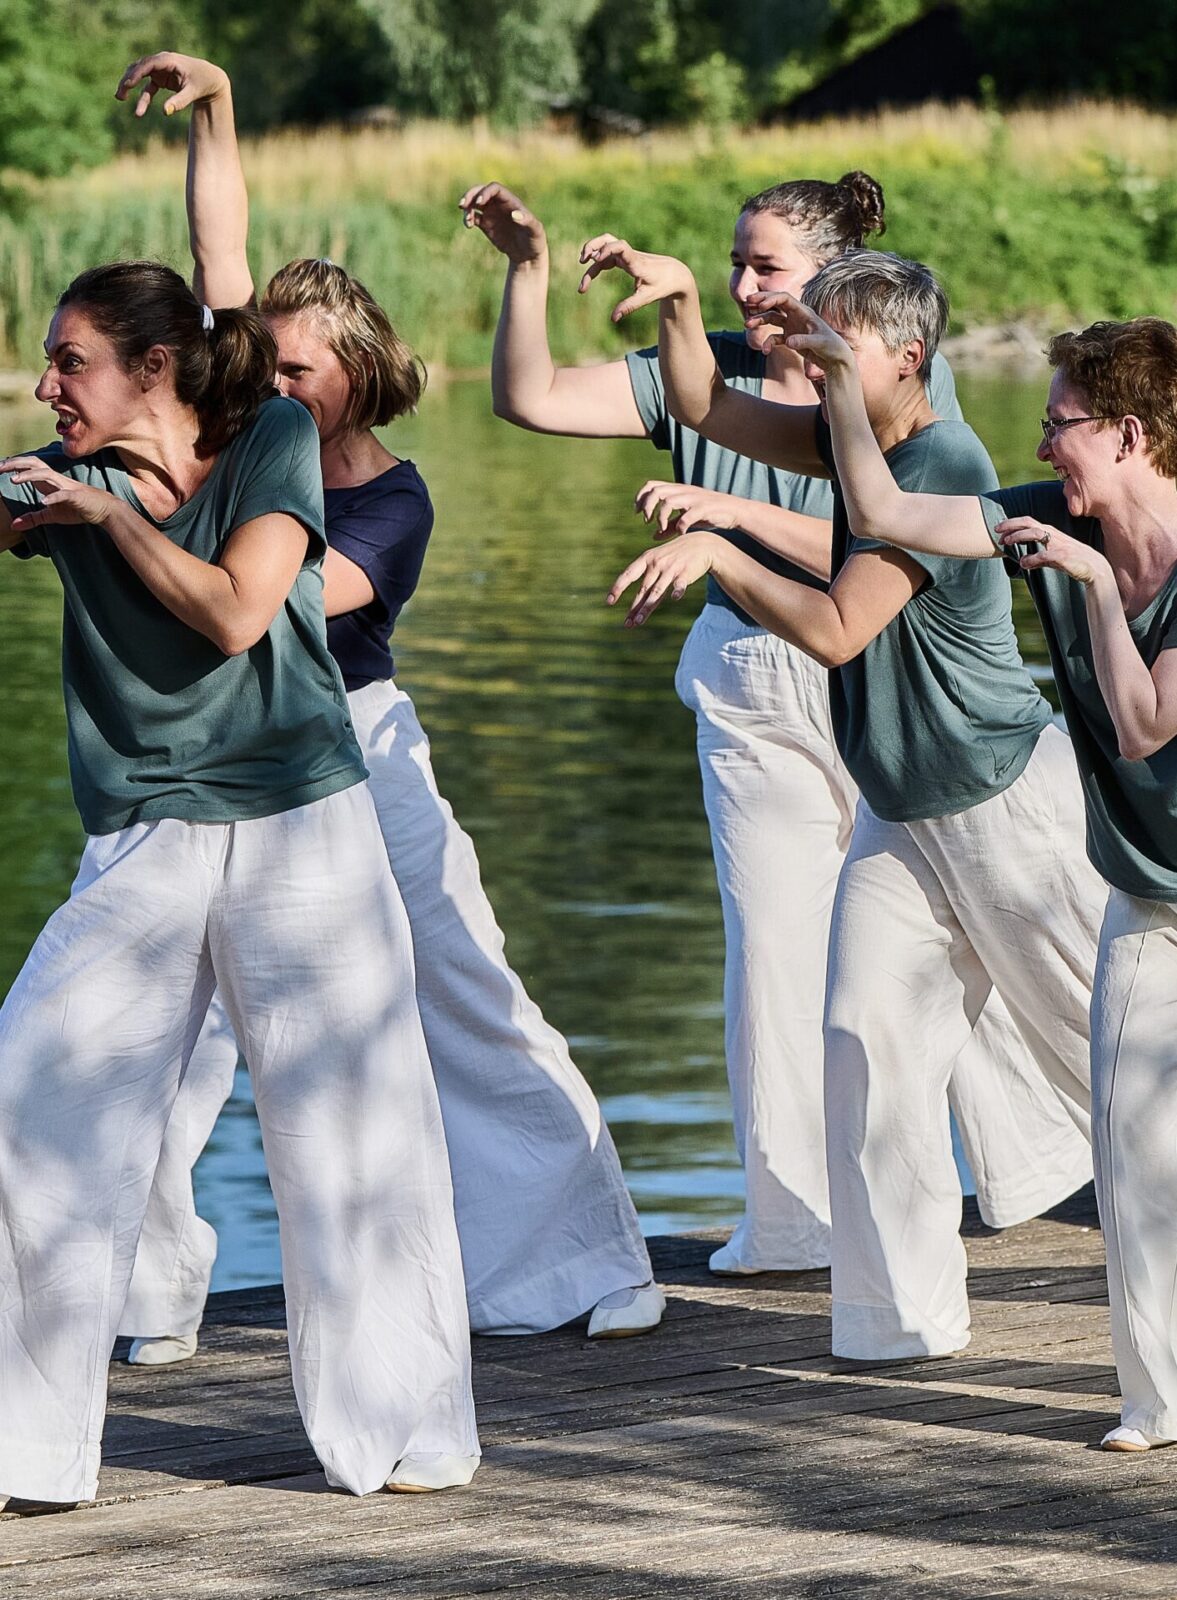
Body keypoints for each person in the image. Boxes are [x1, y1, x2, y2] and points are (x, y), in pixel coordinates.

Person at [111, 51, 661, 1361]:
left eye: (300, 370)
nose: (274, 385)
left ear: (358, 371)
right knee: (160, 1022)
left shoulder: (390, 499)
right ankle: (142, 1294)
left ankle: (585, 1258)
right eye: (266, 367)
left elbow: (283, 605)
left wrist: (141, 535)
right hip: (219, 752)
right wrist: (220, 107)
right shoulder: (246, 431)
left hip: (359, 749)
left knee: (464, 990)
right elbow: (219, 250)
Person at [460, 174, 1091, 1274]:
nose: (750, 289)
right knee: (815, 975)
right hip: (793, 689)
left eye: (770, 269)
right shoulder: (771, 387)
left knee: (1028, 977)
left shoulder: (902, 404)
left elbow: (868, 567)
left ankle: (1042, 1167)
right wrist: (607, 286)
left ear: (847, 298)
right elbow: (636, 405)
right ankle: (820, 1239)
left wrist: (728, 527)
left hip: (913, 699)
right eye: (736, 266)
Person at [0, 259, 479, 1506]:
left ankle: (405, 1427)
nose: (46, 386)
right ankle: (24, 1445)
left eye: (70, 362)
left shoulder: (270, 437)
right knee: (32, 1098)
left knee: (349, 1125)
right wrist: (47, 503)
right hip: (149, 834)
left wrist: (107, 520)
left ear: (153, 367)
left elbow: (237, 612)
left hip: (301, 822)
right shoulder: (57, 477)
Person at [597, 242, 1108, 1360]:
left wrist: (721, 550)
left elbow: (835, 628)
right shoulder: (850, 438)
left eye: (836, 342)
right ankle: (898, 1321)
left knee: (1108, 1055)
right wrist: (680, 300)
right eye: (808, 336)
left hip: (1000, 802)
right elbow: (705, 407)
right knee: (864, 1041)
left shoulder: (941, 459)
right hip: (900, 807)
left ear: (907, 358)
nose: (810, 354)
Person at [766, 300, 1177, 1451]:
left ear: (1130, 435)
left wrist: (1091, 586)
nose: (1040, 444)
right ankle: (1157, 1402)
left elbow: (1143, 724)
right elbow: (882, 512)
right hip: (1148, 893)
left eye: (1061, 423)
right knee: (1132, 1150)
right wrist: (838, 380)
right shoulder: (1045, 515)